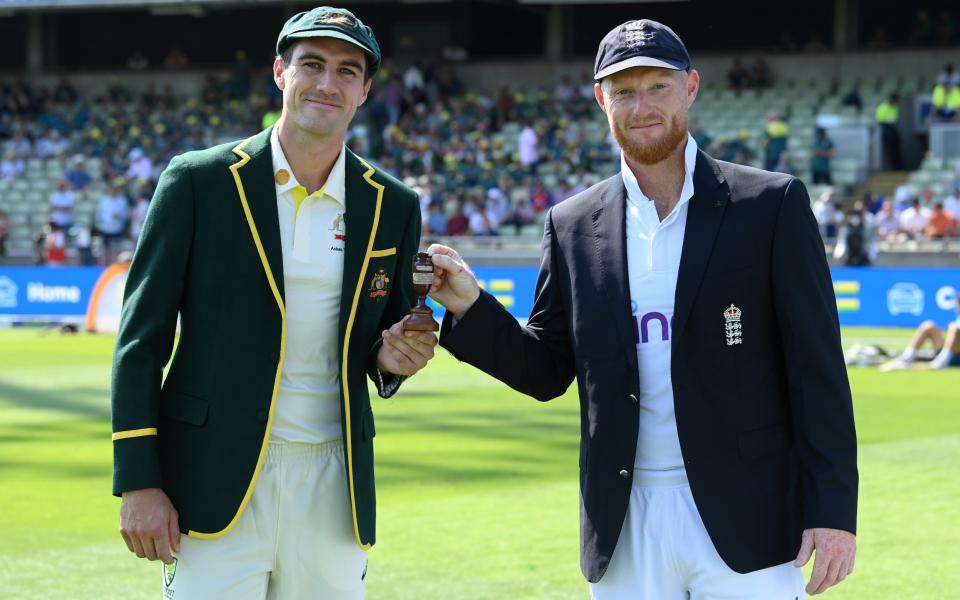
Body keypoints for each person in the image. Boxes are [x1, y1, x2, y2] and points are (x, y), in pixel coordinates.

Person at [428, 19, 856, 599]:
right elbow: (547, 369)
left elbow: (818, 368)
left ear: (692, 87)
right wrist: (469, 305)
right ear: (602, 99)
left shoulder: (770, 204)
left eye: (658, 86)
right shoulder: (572, 224)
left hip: (748, 518)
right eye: (624, 91)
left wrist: (832, 509)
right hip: (622, 527)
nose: (642, 105)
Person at [111, 7, 437, 599]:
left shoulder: (394, 204)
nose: (326, 83)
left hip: (335, 485)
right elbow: (141, 342)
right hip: (212, 477)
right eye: (311, 64)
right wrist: (138, 480)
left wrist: (394, 362)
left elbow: (379, 347)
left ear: (365, 90)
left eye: (346, 71)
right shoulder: (198, 181)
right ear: (280, 72)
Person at [881, 296, 960, 371]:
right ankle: (906, 358)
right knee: (928, 326)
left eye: (957, 305)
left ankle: (941, 362)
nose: (955, 308)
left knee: (954, 328)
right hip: (950, 353)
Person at [876, 93, 902, 170]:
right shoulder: (882, 107)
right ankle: (891, 168)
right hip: (887, 130)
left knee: (897, 150)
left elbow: (895, 119)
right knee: (890, 151)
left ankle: (897, 167)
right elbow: (880, 121)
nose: (897, 103)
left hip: (894, 131)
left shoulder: (895, 107)